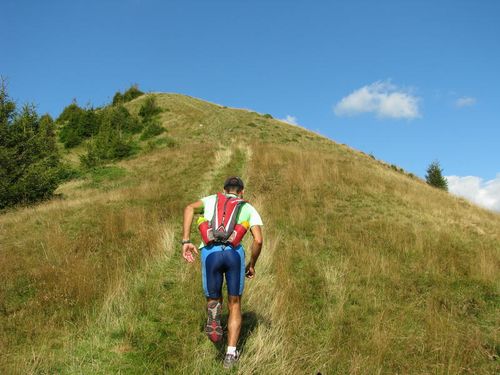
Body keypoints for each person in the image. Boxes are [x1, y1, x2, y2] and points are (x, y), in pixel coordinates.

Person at [181, 176, 263, 369]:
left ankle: (214, 313)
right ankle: (230, 354)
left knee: (213, 298)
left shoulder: (211, 200)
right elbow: (258, 240)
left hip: (211, 254)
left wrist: (185, 241)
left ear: (223, 189)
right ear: (241, 191)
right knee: (235, 303)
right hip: (234, 256)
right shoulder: (247, 207)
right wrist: (251, 264)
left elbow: (189, 208)